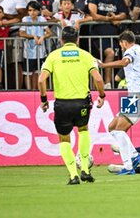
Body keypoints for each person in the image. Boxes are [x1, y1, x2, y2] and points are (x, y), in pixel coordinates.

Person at [38, 26, 105, 185]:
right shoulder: (85, 55)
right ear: (77, 40)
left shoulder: (53, 56)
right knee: (83, 130)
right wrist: (102, 95)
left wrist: (43, 99)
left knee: (64, 139)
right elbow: (98, 79)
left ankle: (73, 175)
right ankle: (86, 171)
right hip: (81, 103)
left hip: (62, 104)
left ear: (61, 40)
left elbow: (41, 80)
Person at [97, 30, 140, 175]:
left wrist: (103, 65)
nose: (121, 47)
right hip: (136, 96)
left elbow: (124, 62)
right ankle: (134, 156)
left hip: (137, 96)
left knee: (119, 130)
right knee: (112, 127)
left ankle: (128, 166)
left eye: (120, 44)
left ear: (124, 42)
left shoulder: (131, 51)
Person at [88, 0, 128, 89]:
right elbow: (94, 15)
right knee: (109, 53)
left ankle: (110, 83)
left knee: (114, 56)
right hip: (97, 34)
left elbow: (124, 14)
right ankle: (107, 84)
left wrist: (116, 17)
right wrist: (109, 19)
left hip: (114, 34)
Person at [19, 1, 51, 90]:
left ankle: (37, 90)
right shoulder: (25, 19)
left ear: (39, 11)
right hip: (28, 52)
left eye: (34, 10)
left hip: (41, 52)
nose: (32, 12)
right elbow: (21, 33)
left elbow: (49, 32)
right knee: (28, 73)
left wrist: (43, 37)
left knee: (38, 73)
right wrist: (33, 36)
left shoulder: (42, 19)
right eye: (30, 10)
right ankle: (29, 91)